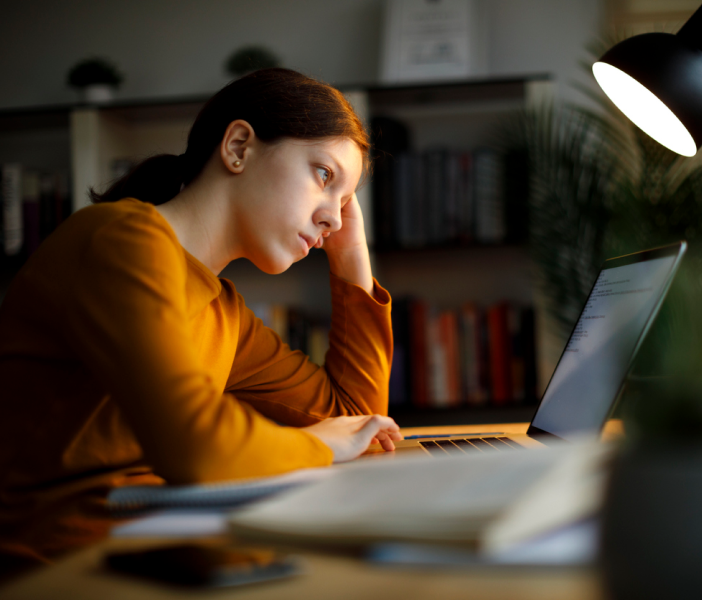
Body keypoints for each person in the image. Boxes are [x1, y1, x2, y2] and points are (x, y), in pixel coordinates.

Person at [0, 67, 401, 578]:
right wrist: (320, 443)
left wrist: (351, 259)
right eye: (323, 175)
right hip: (60, 572)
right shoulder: (119, 240)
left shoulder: (222, 311)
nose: (335, 218)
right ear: (238, 147)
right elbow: (196, 446)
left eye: (347, 204)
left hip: (164, 554)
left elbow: (361, 421)